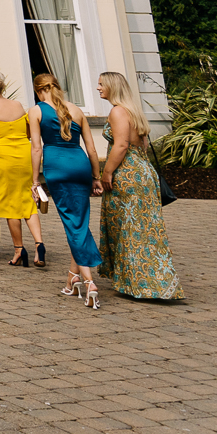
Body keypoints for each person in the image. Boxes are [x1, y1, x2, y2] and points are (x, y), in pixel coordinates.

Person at [97, 71, 183, 301]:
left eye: (101, 84)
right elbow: (142, 145)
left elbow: (122, 145)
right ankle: (153, 281)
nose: (98, 88)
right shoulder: (134, 111)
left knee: (130, 229)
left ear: (113, 87)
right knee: (148, 230)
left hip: (127, 174)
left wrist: (107, 171)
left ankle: (142, 284)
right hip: (144, 173)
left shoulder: (117, 112)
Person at [34, 72, 102, 308]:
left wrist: (35, 181)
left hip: (57, 168)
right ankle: (72, 279)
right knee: (79, 222)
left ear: (38, 90)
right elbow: (92, 149)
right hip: (81, 165)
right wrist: (96, 177)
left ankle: (89, 281)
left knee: (72, 224)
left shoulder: (36, 110)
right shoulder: (77, 110)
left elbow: (36, 149)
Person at [0, 68, 44, 266]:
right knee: (27, 200)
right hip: (24, 154)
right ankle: (39, 245)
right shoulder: (18, 105)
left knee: (10, 204)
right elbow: (28, 132)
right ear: (3, 86)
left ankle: (19, 250)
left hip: (1, 158)